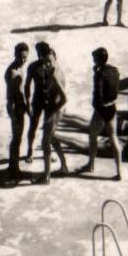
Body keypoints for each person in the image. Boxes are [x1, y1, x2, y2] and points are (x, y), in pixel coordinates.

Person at [79, 47, 123, 180]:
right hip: (112, 108)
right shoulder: (114, 70)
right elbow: (115, 88)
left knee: (93, 136)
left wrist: (96, 105)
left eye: (94, 59)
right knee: (114, 138)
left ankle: (91, 164)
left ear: (98, 60)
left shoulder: (99, 74)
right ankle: (119, 171)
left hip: (101, 110)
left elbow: (98, 94)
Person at [40, 47, 69, 183]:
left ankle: (46, 176)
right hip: (55, 109)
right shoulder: (55, 68)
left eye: (49, 61)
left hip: (55, 110)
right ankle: (64, 166)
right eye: (45, 62)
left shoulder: (55, 74)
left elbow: (64, 98)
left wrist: (52, 113)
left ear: (55, 58)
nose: (47, 64)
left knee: (45, 142)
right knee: (52, 138)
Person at [4, 42, 29, 183]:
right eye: (20, 57)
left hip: (21, 106)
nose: (23, 60)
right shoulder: (12, 72)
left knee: (18, 138)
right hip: (16, 108)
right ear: (15, 55)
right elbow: (9, 97)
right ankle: (13, 168)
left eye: (25, 57)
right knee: (16, 138)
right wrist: (12, 113)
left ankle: (13, 166)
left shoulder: (21, 68)